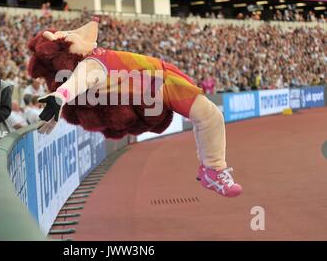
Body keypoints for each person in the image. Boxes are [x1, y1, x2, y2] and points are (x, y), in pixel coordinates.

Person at [29, 20, 242, 198]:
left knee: (211, 116)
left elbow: (86, 34)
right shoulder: (90, 64)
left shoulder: (93, 52)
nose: (72, 35)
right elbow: (78, 82)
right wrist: (59, 97)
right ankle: (214, 170)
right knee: (210, 116)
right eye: (67, 37)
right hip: (159, 86)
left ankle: (211, 169)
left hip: (163, 76)